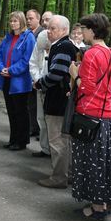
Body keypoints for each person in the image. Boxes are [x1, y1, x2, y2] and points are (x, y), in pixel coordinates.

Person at [68, 14, 111, 221]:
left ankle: (97, 208)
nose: (83, 33)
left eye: (85, 29)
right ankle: (102, 203)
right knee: (103, 161)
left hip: (90, 114)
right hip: (106, 113)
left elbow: (86, 88)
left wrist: (75, 74)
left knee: (90, 162)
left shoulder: (91, 54)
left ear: (92, 30)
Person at [35, 15, 76, 189]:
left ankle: (59, 177)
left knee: (57, 140)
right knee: (64, 140)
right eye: (48, 28)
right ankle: (69, 174)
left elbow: (56, 74)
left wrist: (39, 83)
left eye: (53, 28)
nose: (49, 31)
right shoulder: (63, 45)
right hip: (61, 98)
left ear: (64, 30)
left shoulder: (63, 46)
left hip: (58, 100)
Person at [0, 11, 35, 150]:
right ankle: (13, 139)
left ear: (22, 22)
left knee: (20, 112)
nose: (13, 23)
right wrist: (1, 68)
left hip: (19, 82)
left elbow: (27, 60)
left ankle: (21, 141)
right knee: (11, 111)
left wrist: (11, 70)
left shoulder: (28, 38)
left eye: (15, 21)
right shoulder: (8, 38)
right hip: (6, 80)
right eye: (11, 21)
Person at [29, 27, 51, 157]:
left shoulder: (58, 48)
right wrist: (37, 80)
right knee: (41, 118)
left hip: (50, 89)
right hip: (39, 87)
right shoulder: (38, 46)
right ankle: (45, 148)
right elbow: (33, 64)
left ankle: (52, 149)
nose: (45, 51)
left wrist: (43, 83)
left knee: (51, 121)